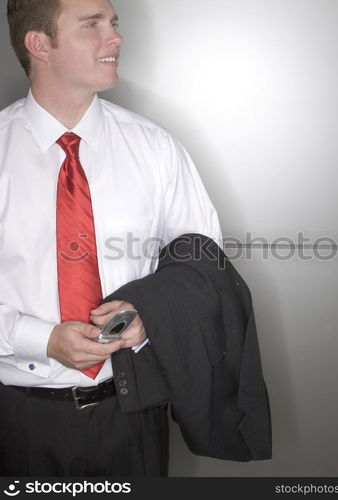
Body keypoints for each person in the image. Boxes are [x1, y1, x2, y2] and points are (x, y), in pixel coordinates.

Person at [0, 0, 223, 477]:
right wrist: (39, 339)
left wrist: (150, 314)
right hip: (12, 420)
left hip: (133, 415)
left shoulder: (156, 149)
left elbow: (204, 266)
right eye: (91, 25)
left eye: (114, 23)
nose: (116, 37)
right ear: (39, 44)